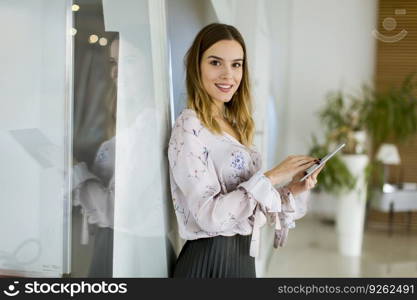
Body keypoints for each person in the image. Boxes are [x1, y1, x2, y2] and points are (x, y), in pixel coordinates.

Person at [167, 23, 325, 278]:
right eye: (216, 63)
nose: (228, 75)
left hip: (240, 260)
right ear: (197, 67)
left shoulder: (235, 124)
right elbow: (210, 216)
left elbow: (247, 204)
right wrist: (272, 176)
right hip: (209, 261)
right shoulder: (190, 125)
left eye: (236, 65)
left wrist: (290, 190)